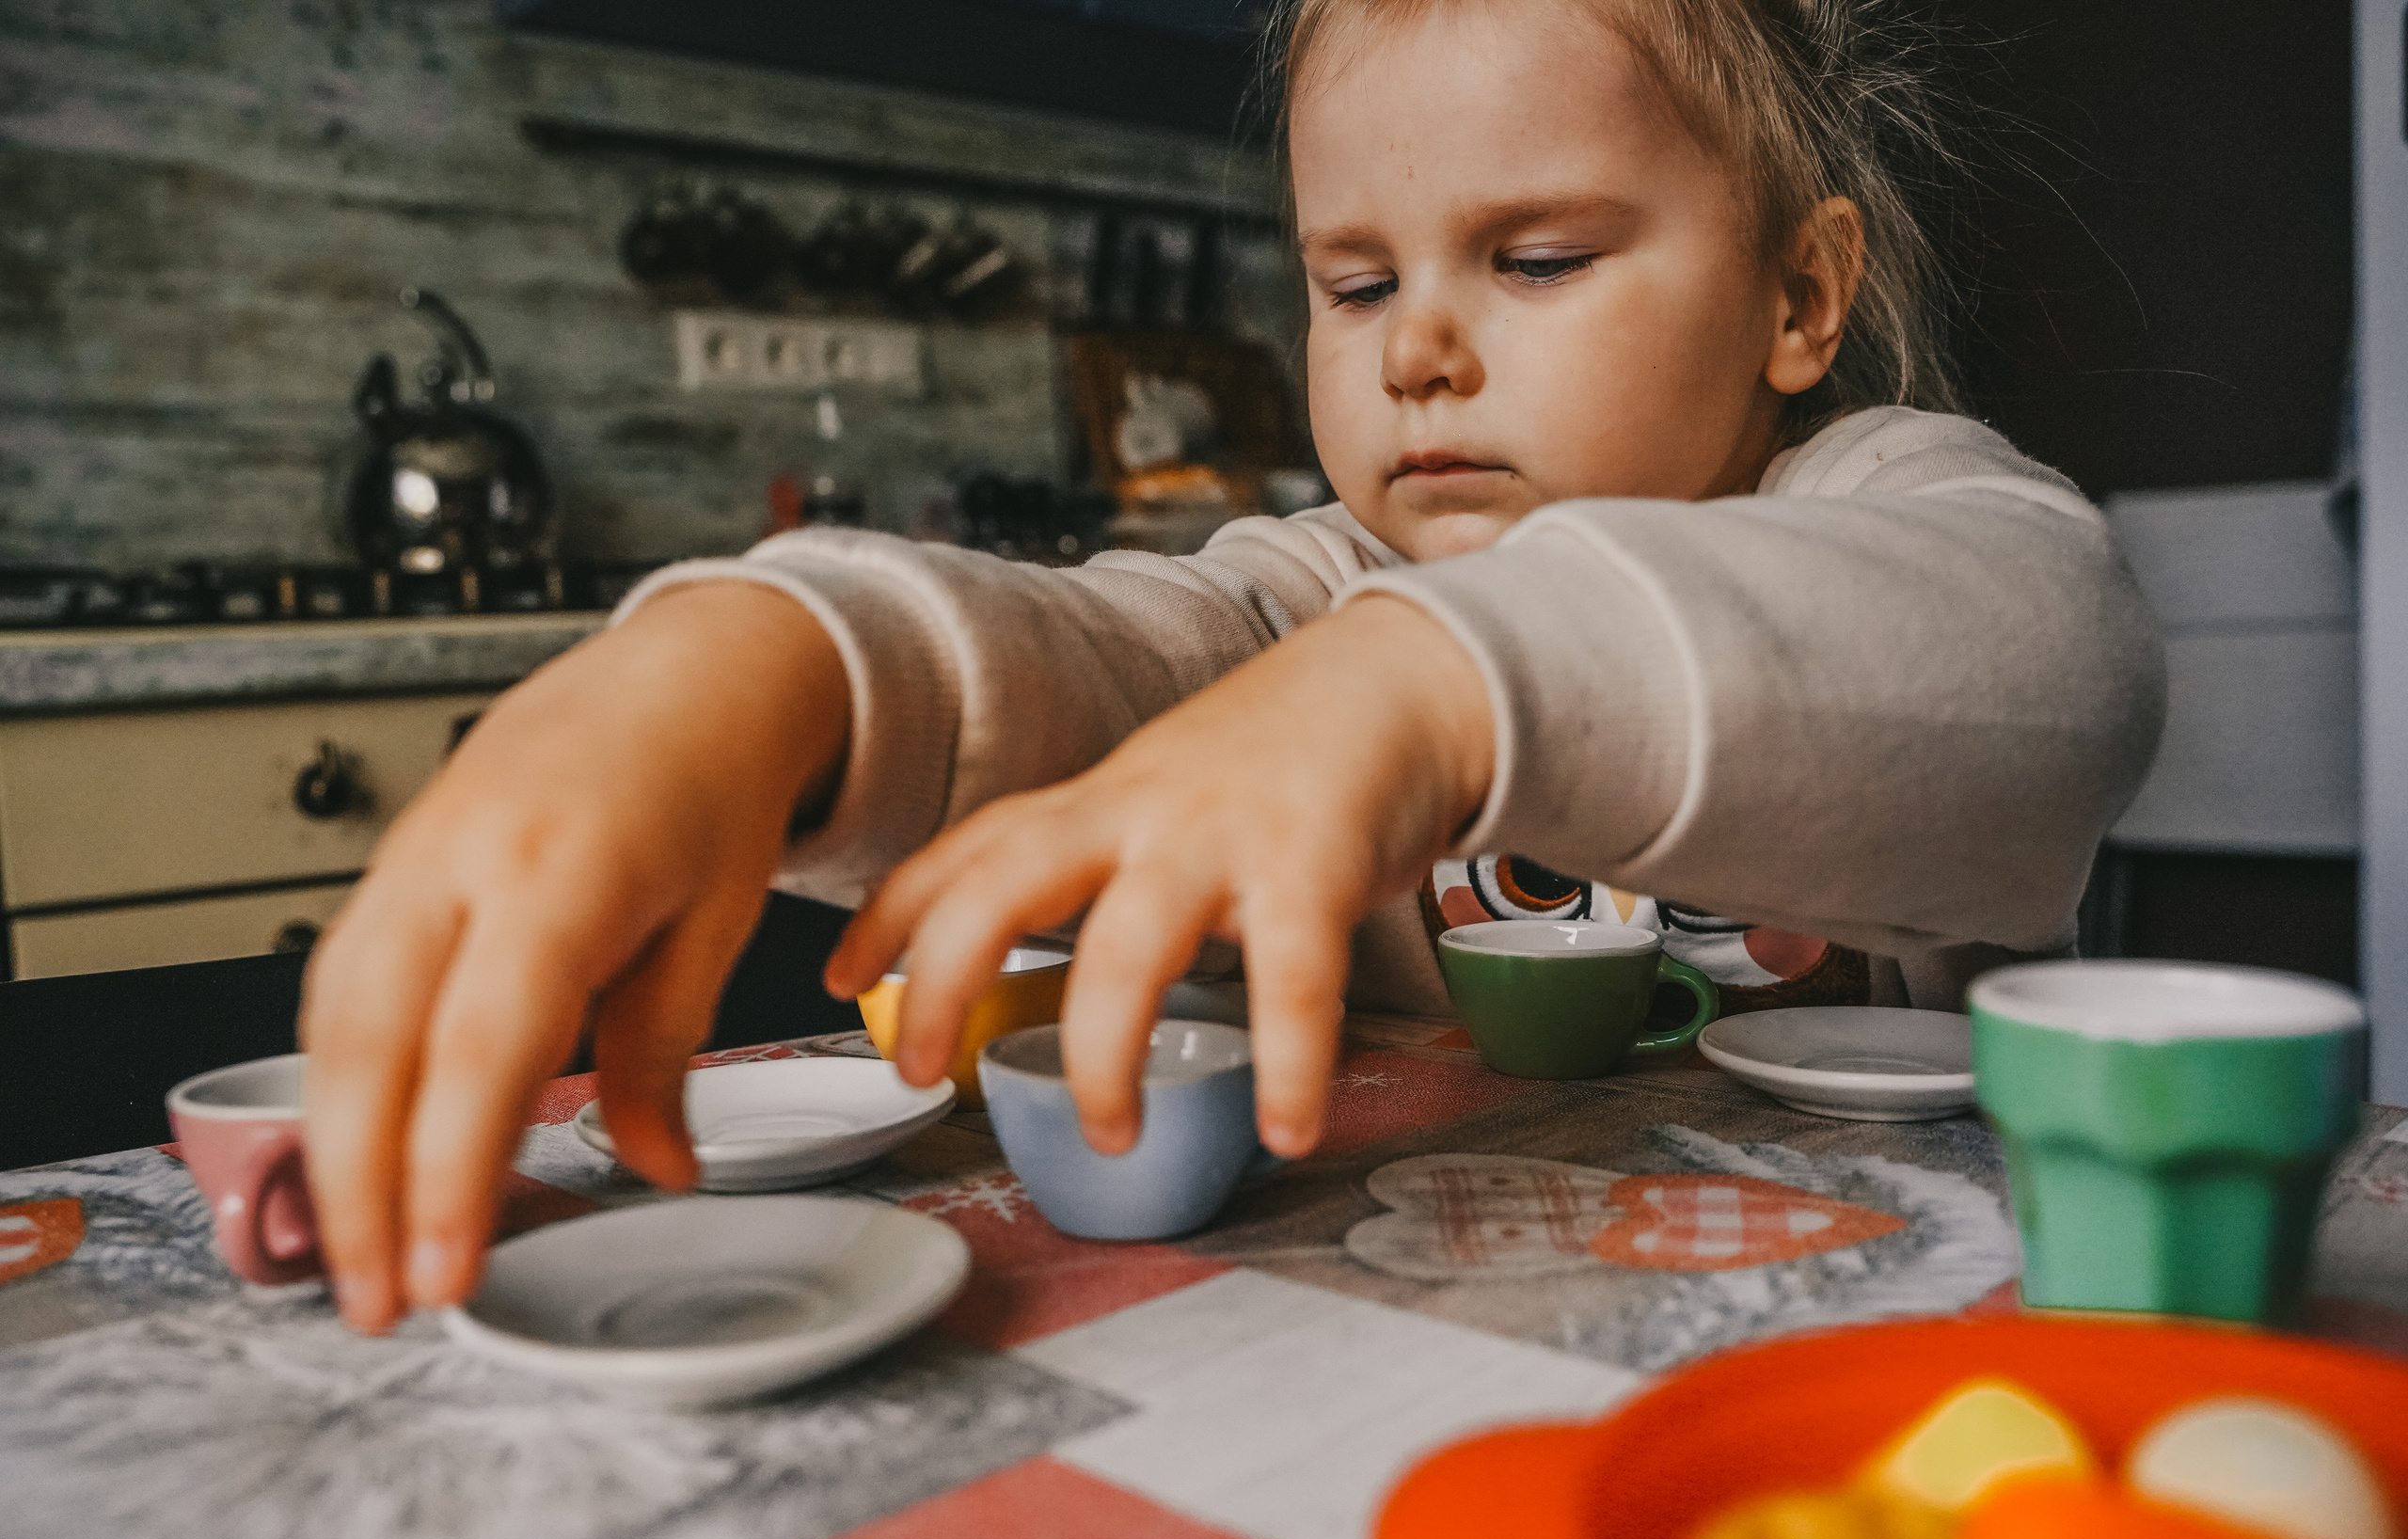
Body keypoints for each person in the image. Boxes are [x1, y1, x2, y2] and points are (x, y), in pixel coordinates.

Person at [301, 0, 2165, 1334]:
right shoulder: (1307, 594)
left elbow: (2051, 666)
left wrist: (1427, 689)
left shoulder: (1885, 501)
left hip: (1935, 1383)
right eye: (1351, 285)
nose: (1416, 349)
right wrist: (769, 662)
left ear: (1796, 297)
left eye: (1529, 256)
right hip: (1434, 1376)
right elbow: (1105, 655)